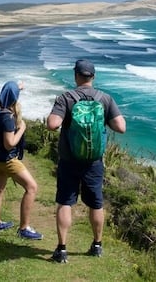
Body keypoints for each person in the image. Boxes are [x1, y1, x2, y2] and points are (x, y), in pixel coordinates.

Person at [46, 59, 126, 263]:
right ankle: (97, 245)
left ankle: (62, 249)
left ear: (76, 76)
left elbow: (52, 124)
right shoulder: (105, 98)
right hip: (94, 162)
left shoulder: (66, 98)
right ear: (93, 77)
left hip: (69, 160)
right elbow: (121, 127)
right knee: (96, 204)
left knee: (65, 202)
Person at [0, 80, 43, 240]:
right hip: (7, 160)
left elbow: (10, 90)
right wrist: (22, 129)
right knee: (31, 187)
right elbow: (9, 144)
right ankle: (24, 228)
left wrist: (18, 86)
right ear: (14, 97)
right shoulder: (7, 117)